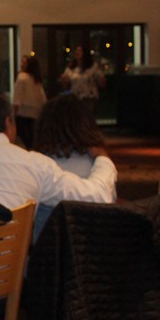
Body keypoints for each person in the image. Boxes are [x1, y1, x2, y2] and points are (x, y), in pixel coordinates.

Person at [0, 89, 116, 214]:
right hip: (12, 253)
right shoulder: (35, 165)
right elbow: (98, 195)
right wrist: (102, 158)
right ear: (9, 123)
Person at [31, 93, 116, 242]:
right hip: (93, 247)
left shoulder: (36, 165)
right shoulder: (99, 164)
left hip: (47, 251)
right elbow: (109, 202)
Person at [12, 54, 46, 149]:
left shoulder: (21, 77)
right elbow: (42, 97)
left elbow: (18, 96)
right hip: (35, 112)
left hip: (23, 111)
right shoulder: (36, 79)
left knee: (22, 136)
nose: (21, 64)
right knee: (32, 136)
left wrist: (14, 111)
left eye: (23, 62)